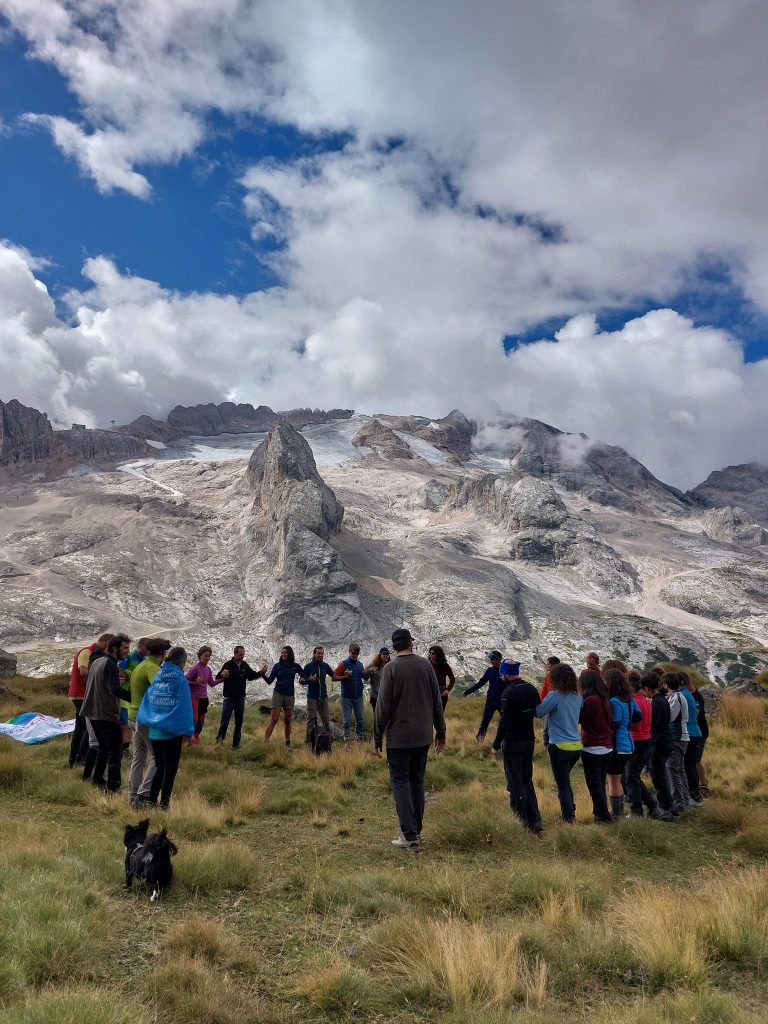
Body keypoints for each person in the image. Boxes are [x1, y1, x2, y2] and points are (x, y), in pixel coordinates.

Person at [374, 628, 446, 849]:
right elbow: (436, 700)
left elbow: (383, 706)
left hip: (399, 738)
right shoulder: (425, 665)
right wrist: (440, 731)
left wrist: (377, 737)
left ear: (394, 646)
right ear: (411, 643)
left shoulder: (391, 669)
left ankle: (409, 834)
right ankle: (417, 829)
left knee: (400, 783)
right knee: (417, 782)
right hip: (423, 736)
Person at [138, 646, 194, 810]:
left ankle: (151, 800)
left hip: (154, 730)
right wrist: (188, 731)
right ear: (182, 662)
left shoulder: (158, 675)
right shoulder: (180, 680)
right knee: (171, 769)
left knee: (160, 766)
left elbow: (150, 699)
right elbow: (184, 707)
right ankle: (164, 804)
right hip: (171, 731)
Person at [491, 660, 542, 832]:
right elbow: (536, 712)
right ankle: (535, 820)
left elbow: (504, 721)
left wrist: (495, 744)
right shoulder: (531, 688)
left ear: (506, 674)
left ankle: (521, 821)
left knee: (514, 782)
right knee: (527, 779)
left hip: (513, 741)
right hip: (529, 739)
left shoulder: (508, 692)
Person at [80, 633, 132, 792]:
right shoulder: (109, 663)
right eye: (124, 648)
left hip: (92, 711)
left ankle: (97, 780)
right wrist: (135, 698)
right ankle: (113, 788)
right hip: (105, 713)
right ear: (115, 648)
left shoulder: (98, 661)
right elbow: (114, 689)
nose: (127, 652)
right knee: (115, 750)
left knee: (102, 747)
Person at [535, 663, 583, 823]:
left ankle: (568, 817)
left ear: (555, 679)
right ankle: (570, 810)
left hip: (560, 746)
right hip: (576, 746)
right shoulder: (578, 696)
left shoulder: (555, 695)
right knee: (565, 781)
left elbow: (539, 712)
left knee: (562, 784)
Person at [127, 637, 171, 806]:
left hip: (133, 715)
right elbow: (160, 691)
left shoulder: (140, 666)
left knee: (138, 758)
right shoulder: (153, 668)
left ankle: (132, 795)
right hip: (145, 718)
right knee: (158, 758)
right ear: (162, 654)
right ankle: (143, 795)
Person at [624, 672, 670, 820]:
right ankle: (651, 805)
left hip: (636, 741)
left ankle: (637, 810)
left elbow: (635, 725)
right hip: (647, 741)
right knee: (634, 776)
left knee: (631, 777)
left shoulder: (634, 702)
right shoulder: (645, 701)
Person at [67, 633, 112, 768]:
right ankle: (80, 758)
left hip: (84, 694)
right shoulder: (86, 652)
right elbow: (83, 671)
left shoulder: (98, 653)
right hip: (81, 694)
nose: (108, 648)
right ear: (102, 641)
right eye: (107, 645)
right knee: (89, 727)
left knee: (81, 728)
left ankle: (75, 758)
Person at [577, 669, 613, 824]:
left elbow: (581, 719)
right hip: (606, 746)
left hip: (593, 747)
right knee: (600, 782)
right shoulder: (604, 699)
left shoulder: (590, 701)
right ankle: (600, 814)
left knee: (595, 786)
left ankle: (603, 816)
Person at [213, 646, 263, 749]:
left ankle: (236, 744)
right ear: (235, 654)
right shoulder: (228, 665)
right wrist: (222, 675)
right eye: (240, 654)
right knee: (225, 720)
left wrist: (260, 673)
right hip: (229, 698)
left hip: (241, 698)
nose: (242, 656)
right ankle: (219, 741)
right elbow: (218, 677)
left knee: (239, 721)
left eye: (243, 654)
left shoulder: (244, 665)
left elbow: (251, 676)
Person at [605, 668, 638, 819]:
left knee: (613, 780)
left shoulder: (614, 701)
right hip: (629, 742)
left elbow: (616, 722)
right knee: (617, 779)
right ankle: (620, 811)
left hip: (618, 744)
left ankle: (616, 813)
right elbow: (638, 715)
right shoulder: (630, 699)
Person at [642, 672, 675, 816]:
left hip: (659, 743)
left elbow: (653, 724)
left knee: (657, 775)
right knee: (661, 774)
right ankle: (669, 804)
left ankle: (664, 807)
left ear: (647, 688)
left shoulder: (655, 702)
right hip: (667, 740)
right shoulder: (663, 699)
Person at [264, 646, 305, 747]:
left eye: (285, 653)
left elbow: (304, 676)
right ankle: (265, 742)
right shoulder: (277, 666)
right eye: (282, 652)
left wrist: (305, 680)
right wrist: (262, 674)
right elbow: (269, 681)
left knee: (287, 720)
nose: (283, 654)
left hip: (290, 695)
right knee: (274, 719)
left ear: (290, 654)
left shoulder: (295, 666)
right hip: (278, 693)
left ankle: (287, 742)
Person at [461, 651, 506, 742]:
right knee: (485, 722)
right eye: (490, 659)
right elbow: (481, 683)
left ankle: (507, 741)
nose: (491, 661)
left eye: (493, 659)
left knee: (506, 721)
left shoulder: (505, 671)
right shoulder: (489, 670)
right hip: (491, 701)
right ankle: (479, 740)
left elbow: (511, 685)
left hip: (503, 701)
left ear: (499, 659)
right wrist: (468, 692)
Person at [665, 672, 691, 814]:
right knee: (679, 769)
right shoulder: (679, 696)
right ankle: (685, 798)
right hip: (682, 737)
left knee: (672, 769)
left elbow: (670, 717)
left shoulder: (676, 698)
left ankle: (678, 801)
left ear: (666, 684)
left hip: (677, 737)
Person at [184, 646, 218, 745]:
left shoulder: (208, 669)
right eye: (205, 656)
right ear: (200, 656)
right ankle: (187, 739)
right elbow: (185, 680)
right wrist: (195, 682)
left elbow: (211, 683)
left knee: (201, 721)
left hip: (204, 698)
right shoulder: (195, 668)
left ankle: (196, 737)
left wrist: (223, 679)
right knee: (194, 720)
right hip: (194, 697)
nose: (207, 658)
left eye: (208, 656)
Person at [302, 645, 335, 743]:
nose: (320, 655)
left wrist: (345, 675)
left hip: (323, 697)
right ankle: (308, 740)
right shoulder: (308, 666)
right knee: (311, 720)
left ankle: (328, 739)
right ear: (314, 654)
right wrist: (309, 680)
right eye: (318, 653)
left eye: (322, 653)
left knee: (326, 719)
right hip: (312, 697)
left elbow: (333, 675)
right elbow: (302, 680)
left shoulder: (325, 666)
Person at [680, 672, 703, 806]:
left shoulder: (683, 695)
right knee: (691, 765)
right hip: (695, 732)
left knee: (688, 766)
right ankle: (694, 795)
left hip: (689, 733)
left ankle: (693, 796)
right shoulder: (689, 694)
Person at [334, 643, 366, 741]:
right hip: (346, 697)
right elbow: (334, 677)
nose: (355, 655)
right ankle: (346, 737)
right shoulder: (343, 664)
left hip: (358, 696)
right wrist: (345, 677)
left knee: (360, 719)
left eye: (357, 653)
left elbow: (363, 676)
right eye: (353, 653)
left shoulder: (360, 665)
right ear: (349, 652)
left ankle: (359, 737)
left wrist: (371, 671)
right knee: (347, 720)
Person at [427, 646, 456, 710]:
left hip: (441, 693)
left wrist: (447, 690)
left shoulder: (445, 666)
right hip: (430, 691)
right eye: (430, 653)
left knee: (439, 714)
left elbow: (452, 679)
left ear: (438, 654)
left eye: (433, 653)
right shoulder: (428, 664)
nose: (431, 655)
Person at [363, 647, 391, 712]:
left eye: (387, 654)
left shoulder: (390, 665)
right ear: (380, 655)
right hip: (376, 696)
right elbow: (364, 675)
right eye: (384, 654)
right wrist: (370, 670)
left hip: (387, 696)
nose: (385, 656)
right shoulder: (374, 664)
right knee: (377, 717)